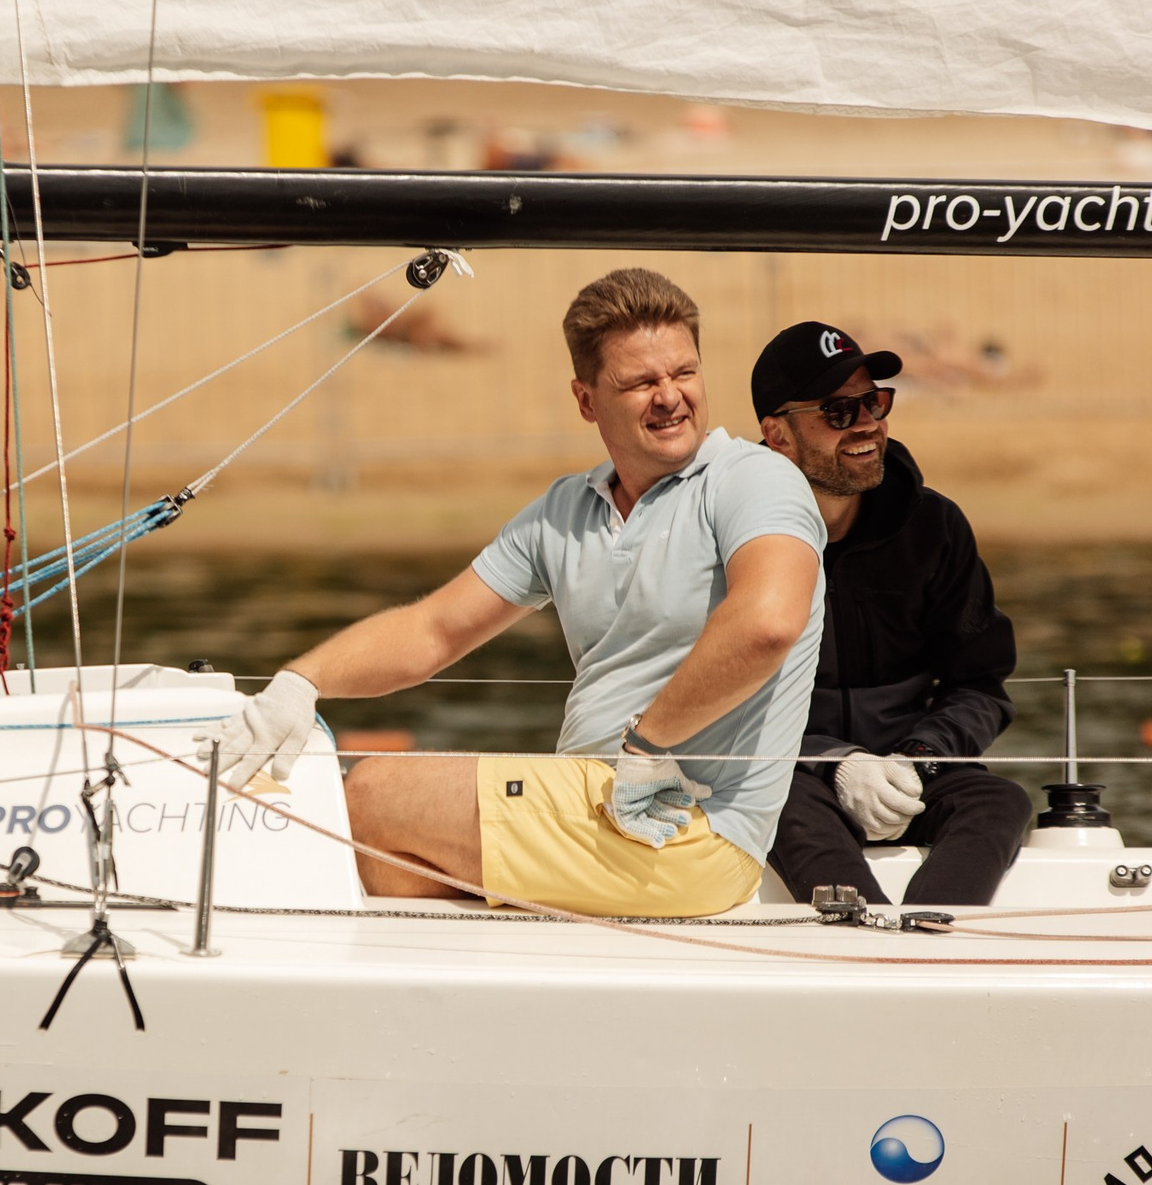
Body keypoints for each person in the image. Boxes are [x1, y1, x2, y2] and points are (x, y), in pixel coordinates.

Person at [216, 268, 824, 919]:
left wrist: (647, 748)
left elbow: (768, 623)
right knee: (389, 869)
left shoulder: (754, 479)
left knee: (372, 792)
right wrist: (299, 682)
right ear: (587, 400)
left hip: (689, 830)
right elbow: (433, 631)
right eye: (641, 382)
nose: (670, 396)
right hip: (595, 814)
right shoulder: (565, 508)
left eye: (684, 372)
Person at [750, 322, 1027, 908]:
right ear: (777, 434)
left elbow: (979, 684)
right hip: (790, 773)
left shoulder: (934, 527)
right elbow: (718, 701)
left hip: (911, 766)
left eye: (874, 401)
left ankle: (932, 941)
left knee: (1000, 802)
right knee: (779, 802)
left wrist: (917, 761)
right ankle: (867, 942)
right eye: (839, 411)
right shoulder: (730, 532)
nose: (868, 424)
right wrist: (836, 765)